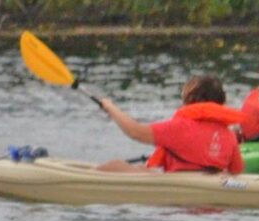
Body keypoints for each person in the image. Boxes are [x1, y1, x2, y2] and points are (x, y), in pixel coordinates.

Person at [95, 75, 244, 174]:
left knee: (114, 165)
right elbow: (237, 171)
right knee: (140, 168)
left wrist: (110, 108)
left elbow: (135, 132)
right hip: (210, 187)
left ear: (191, 100)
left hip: (179, 189)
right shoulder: (229, 135)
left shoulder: (181, 127)